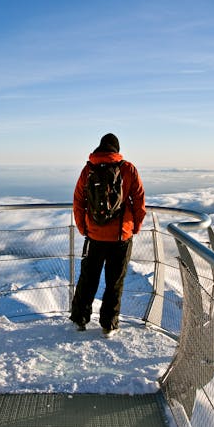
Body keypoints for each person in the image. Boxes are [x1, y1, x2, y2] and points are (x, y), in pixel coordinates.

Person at [69, 133, 146, 337]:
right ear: (116, 150)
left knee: (89, 279)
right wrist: (135, 227)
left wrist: (83, 228)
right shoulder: (127, 168)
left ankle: (79, 319)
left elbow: (78, 201)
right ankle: (108, 324)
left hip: (94, 236)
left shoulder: (89, 169)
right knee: (115, 282)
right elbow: (139, 201)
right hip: (121, 237)